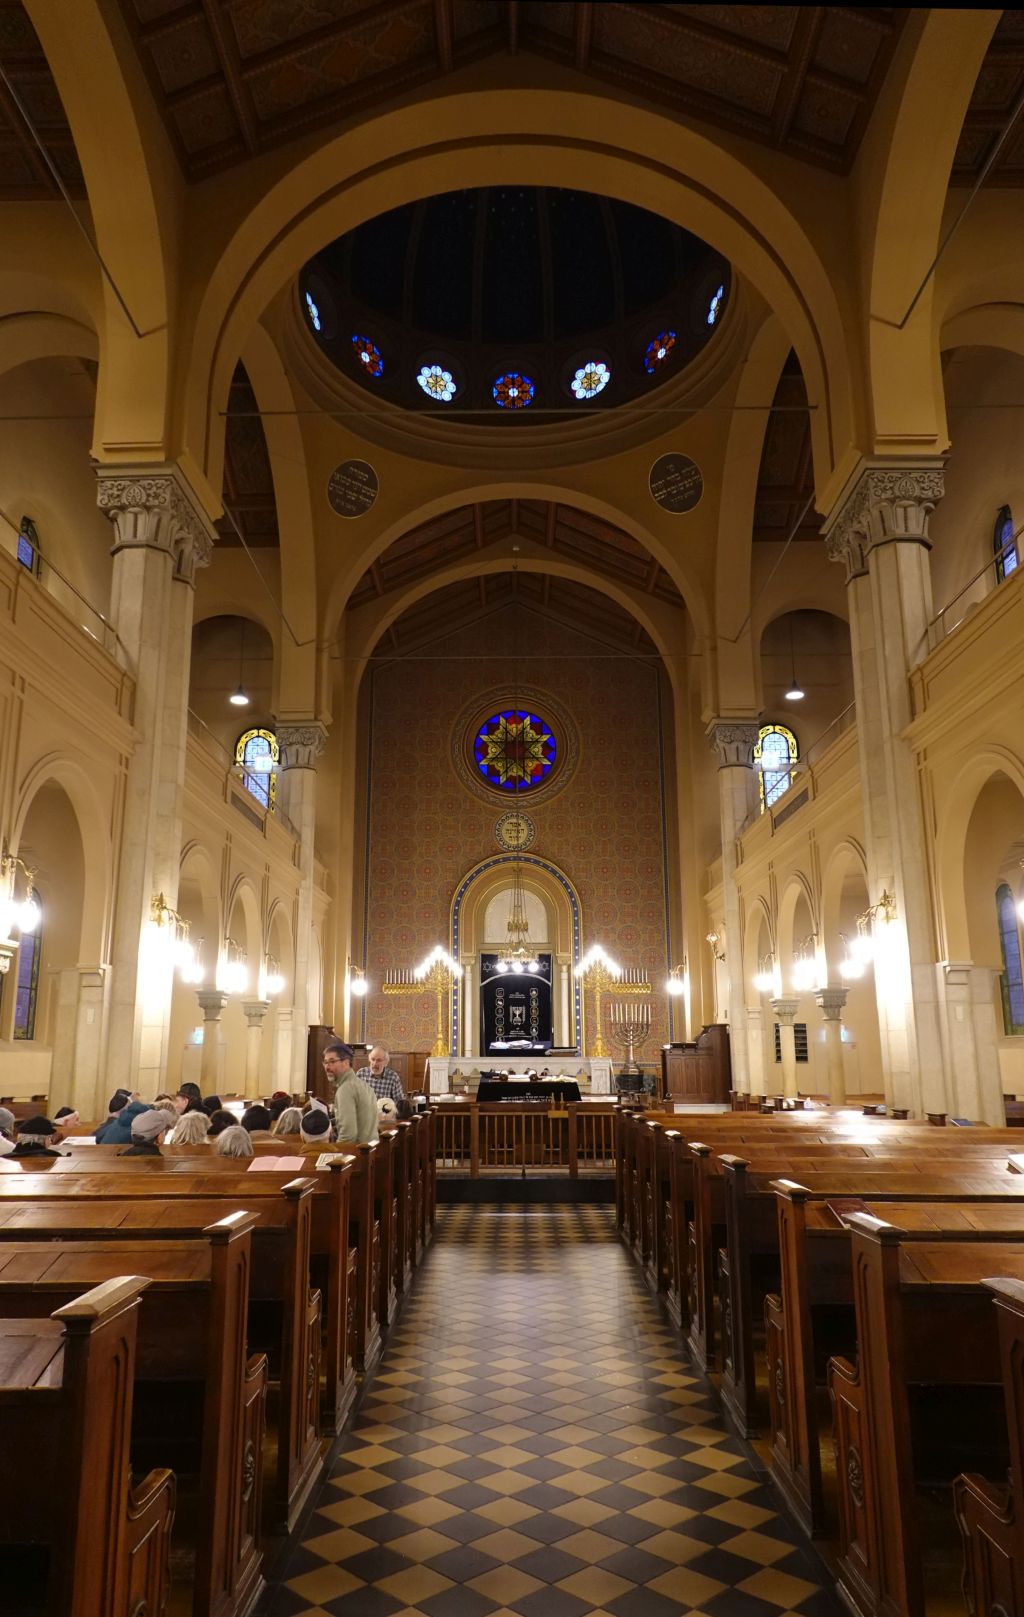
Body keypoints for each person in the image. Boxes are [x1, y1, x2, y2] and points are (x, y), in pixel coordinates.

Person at [323, 1042, 378, 1143]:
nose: (327, 1067)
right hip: (370, 1150)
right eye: (325, 1062)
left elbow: (348, 1136)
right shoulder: (363, 1085)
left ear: (346, 1063)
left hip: (357, 1153)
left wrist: (334, 1155)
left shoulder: (346, 1089)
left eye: (332, 1062)